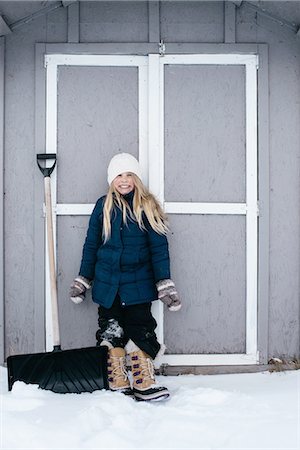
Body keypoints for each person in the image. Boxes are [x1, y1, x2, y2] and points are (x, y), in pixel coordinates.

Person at [69, 153, 181, 402]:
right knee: (110, 331)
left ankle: (143, 379)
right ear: (111, 179)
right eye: (119, 175)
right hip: (108, 286)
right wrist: (83, 279)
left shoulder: (147, 205)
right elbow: (91, 245)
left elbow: (159, 249)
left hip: (138, 286)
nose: (124, 180)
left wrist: (165, 284)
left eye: (130, 174)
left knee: (142, 329)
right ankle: (117, 377)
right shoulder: (103, 206)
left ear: (137, 178)